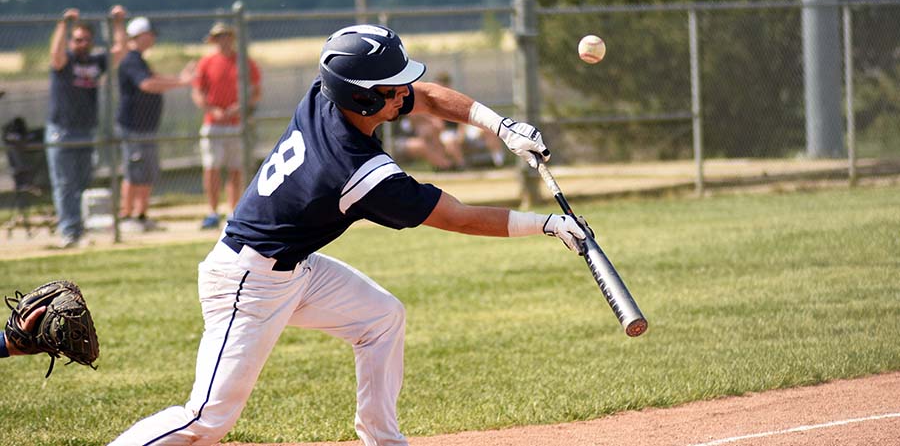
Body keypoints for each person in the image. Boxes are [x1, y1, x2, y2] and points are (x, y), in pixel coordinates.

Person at [108, 25, 587, 446]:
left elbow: (429, 97)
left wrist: (500, 125)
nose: (406, 93)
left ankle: (383, 440)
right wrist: (544, 224)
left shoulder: (325, 94)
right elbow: (457, 216)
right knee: (207, 420)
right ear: (363, 96)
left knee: (381, 318)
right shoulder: (358, 172)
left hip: (293, 266)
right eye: (393, 87)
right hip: (246, 283)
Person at [45, 6, 126, 248]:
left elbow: (120, 51)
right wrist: (63, 24)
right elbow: (56, 54)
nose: (82, 43)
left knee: (80, 183)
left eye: (86, 40)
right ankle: (69, 232)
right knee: (66, 183)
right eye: (78, 39)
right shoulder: (66, 62)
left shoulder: (94, 61)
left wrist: (119, 23)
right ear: (72, 41)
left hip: (86, 130)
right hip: (63, 130)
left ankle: (77, 230)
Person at [117, 16, 195, 233]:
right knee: (134, 171)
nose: (152, 39)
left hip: (146, 128)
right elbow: (147, 84)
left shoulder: (140, 60)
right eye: (149, 35)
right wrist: (181, 82)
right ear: (139, 36)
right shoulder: (131, 60)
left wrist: (179, 78)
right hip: (133, 127)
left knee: (147, 172)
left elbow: (155, 77)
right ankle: (126, 216)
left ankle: (141, 216)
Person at [191, 22, 262, 230]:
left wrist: (239, 107)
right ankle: (212, 211)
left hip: (236, 123)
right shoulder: (206, 63)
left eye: (226, 36)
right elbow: (197, 91)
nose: (224, 40)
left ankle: (234, 211)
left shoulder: (244, 62)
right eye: (219, 37)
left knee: (236, 169)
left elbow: (256, 91)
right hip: (213, 124)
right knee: (212, 168)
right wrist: (212, 110)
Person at [432, 71, 506, 169]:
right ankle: (463, 167)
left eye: (445, 84)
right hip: (446, 132)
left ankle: (499, 163)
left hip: (462, 128)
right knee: (451, 141)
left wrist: (461, 132)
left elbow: (464, 117)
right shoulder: (432, 102)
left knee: (488, 131)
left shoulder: (454, 98)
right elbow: (437, 125)